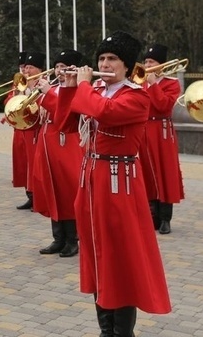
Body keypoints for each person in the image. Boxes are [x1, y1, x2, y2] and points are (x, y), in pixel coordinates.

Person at [63, 31, 171, 337]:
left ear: (127, 66)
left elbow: (104, 113)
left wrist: (84, 87)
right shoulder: (95, 90)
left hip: (119, 184)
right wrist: (70, 90)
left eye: (113, 59)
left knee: (120, 255)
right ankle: (105, 328)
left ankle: (122, 331)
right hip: (92, 180)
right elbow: (67, 124)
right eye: (101, 58)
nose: (105, 64)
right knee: (97, 250)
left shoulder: (136, 96)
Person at [33, 49, 84, 258]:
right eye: (57, 66)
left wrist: (48, 94)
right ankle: (58, 237)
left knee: (68, 190)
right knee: (52, 190)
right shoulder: (53, 88)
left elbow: (66, 110)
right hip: (48, 146)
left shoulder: (76, 89)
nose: (59, 71)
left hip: (67, 145)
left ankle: (73, 239)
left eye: (64, 67)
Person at [139, 44, 184, 234]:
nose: (147, 65)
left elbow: (164, 106)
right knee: (147, 171)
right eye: (146, 61)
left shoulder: (171, 83)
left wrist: (155, 84)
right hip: (144, 129)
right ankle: (152, 216)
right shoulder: (141, 82)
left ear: (161, 64)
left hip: (162, 131)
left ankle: (165, 218)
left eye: (151, 62)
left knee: (165, 171)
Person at [11, 51, 45, 210]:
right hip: (21, 129)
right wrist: (18, 93)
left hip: (35, 130)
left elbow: (42, 106)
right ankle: (29, 195)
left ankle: (38, 196)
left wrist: (30, 91)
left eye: (30, 67)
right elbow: (10, 102)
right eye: (26, 67)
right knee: (24, 163)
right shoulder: (22, 84)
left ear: (39, 69)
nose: (26, 70)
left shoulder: (43, 84)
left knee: (34, 164)